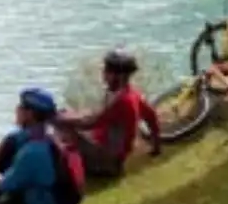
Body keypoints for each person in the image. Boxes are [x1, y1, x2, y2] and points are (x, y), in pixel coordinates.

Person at [54, 48, 162, 179]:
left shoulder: (121, 101)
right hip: (107, 151)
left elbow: (89, 123)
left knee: (61, 127)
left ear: (120, 76)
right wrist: (156, 146)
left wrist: (58, 119)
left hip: (107, 162)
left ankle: (64, 170)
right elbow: (151, 116)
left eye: (107, 71)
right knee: (65, 114)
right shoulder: (132, 94)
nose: (103, 74)